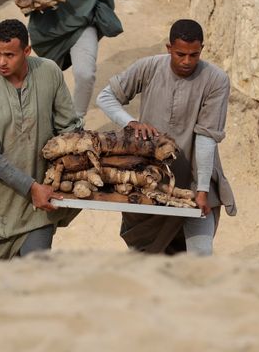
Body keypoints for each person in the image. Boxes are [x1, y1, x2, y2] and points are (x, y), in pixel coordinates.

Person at [95, 19, 236, 256]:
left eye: (194, 55)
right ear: (169, 48)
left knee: (199, 256)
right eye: (180, 54)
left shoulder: (216, 80)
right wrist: (130, 123)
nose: (187, 61)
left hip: (194, 181)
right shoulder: (148, 67)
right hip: (149, 181)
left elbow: (205, 138)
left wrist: (201, 190)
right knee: (147, 257)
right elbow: (106, 97)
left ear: (202, 49)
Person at [0, 19, 82, 260]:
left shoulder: (49, 72)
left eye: (9, 55)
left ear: (27, 51)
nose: (1, 62)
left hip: (38, 204)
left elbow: (68, 127)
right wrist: (30, 187)